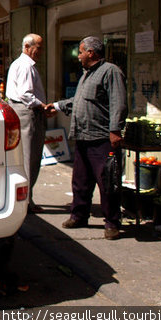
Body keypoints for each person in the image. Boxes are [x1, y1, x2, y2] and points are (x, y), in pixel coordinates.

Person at [50, 36, 127, 240]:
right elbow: (79, 101)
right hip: (83, 137)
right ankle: (79, 215)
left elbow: (118, 103)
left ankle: (112, 223)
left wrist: (115, 130)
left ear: (91, 53)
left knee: (107, 182)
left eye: (81, 52)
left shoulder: (110, 72)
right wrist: (58, 106)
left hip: (101, 138)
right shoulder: (87, 75)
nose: (79, 56)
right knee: (81, 181)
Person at [6, 33, 50, 213]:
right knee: (29, 157)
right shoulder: (25, 66)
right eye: (38, 47)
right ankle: (26, 201)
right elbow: (26, 94)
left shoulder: (23, 64)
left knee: (28, 156)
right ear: (27, 47)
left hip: (24, 111)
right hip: (26, 112)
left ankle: (26, 198)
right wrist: (42, 106)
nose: (40, 52)